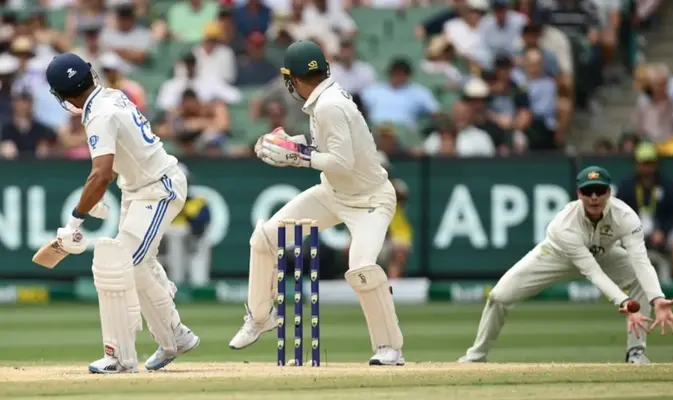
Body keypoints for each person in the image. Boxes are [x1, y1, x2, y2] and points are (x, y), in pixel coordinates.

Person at [229, 40, 404, 366]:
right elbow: (330, 151)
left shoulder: (329, 105)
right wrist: (292, 144)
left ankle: (389, 347)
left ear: (293, 79)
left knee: (362, 268)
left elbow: (343, 161)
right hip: (332, 194)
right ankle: (260, 317)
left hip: (370, 200)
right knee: (265, 238)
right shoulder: (324, 98)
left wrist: (299, 155)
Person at [44, 53, 199, 374]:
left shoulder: (100, 114)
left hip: (158, 188)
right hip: (138, 189)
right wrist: (96, 198)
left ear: (62, 95)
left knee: (126, 264)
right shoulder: (110, 96)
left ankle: (123, 357)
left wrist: (74, 221)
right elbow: (121, 154)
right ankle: (174, 335)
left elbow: (101, 174)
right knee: (133, 263)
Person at [459, 166, 673, 365]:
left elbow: (641, 261)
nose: (594, 197)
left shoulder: (626, 217)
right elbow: (592, 273)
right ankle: (476, 356)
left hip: (603, 253)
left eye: (600, 191)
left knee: (638, 278)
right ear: (579, 194)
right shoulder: (563, 225)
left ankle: (636, 353)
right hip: (556, 256)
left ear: (608, 193)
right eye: (588, 191)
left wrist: (658, 298)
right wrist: (624, 301)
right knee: (498, 297)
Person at [616, 143, 673, 281]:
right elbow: (617, 214)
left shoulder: (668, 186)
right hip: (633, 233)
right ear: (637, 165)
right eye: (643, 163)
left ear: (656, 164)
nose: (647, 168)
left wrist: (663, 230)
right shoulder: (626, 187)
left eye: (650, 163)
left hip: (661, 233)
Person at [163, 163, 212, 288]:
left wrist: (186, 212)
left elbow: (201, 224)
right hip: (166, 242)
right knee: (175, 235)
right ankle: (176, 282)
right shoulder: (160, 200)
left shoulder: (197, 201)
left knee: (201, 239)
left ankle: (199, 284)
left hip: (192, 239)